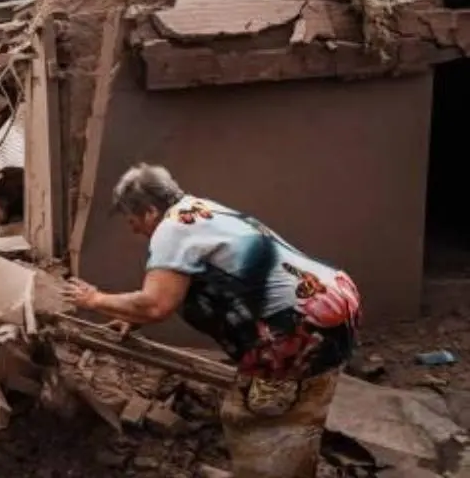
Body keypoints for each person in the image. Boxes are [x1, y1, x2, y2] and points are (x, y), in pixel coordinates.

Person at [64, 164, 361, 478]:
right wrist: (132, 317)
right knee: (299, 413)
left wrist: (94, 300)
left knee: (251, 418)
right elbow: (188, 285)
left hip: (298, 329)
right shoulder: (198, 209)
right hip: (333, 302)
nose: (134, 229)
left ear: (151, 211)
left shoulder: (171, 229)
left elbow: (155, 304)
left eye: (133, 220)